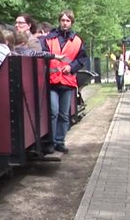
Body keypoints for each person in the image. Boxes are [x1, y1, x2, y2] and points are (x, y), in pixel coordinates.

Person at [42, 10, 88, 154]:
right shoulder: (49, 38)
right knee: (53, 112)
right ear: (59, 21)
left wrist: (72, 67)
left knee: (63, 114)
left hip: (67, 82)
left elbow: (82, 60)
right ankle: (51, 142)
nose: (65, 23)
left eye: (67, 20)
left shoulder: (77, 41)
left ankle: (60, 141)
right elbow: (44, 55)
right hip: (52, 82)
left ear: (71, 22)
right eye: (62, 20)